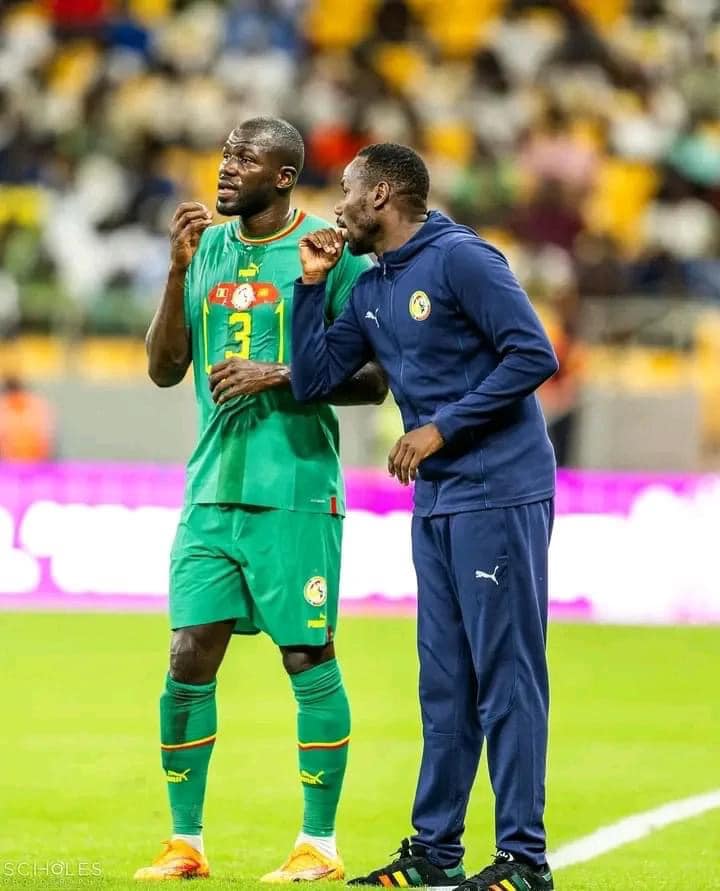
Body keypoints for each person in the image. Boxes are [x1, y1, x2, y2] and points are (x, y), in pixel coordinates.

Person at [289, 144, 559, 891]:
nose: (336, 205)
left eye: (346, 190)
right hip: (438, 499)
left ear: (380, 194)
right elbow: (313, 377)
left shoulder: (463, 260)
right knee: (444, 681)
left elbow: (534, 354)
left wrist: (442, 425)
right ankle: (436, 850)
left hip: (499, 489)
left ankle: (524, 861)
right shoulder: (374, 287)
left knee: (505, 677)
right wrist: (312, 287)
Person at [135, 117, 387, 883]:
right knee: (187, 655)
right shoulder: (207, 248)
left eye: (246, 157)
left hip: (297, 489)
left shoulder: (326, 255)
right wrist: (177, 273)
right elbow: (164, 368)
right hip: (212, 489)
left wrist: (278, 372)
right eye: (224, 153)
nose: (226, 166)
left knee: (307, 653)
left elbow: (373, 380)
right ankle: (186, 843)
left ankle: (320, 843)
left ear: (283, 176)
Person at [0, 375, 55, 461]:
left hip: (37, 461)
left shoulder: (38, 407)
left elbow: (45, 440)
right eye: (11, 396)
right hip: (8, 463)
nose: (15, 399)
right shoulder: (3, 408)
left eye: (17, 394)